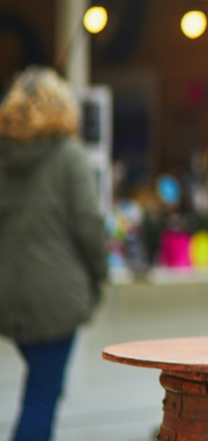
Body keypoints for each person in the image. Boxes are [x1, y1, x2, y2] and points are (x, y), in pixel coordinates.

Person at [0, 67, 108, 441]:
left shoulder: (4, 157)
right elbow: (90, 225)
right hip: (56, 296)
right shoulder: (69, 155)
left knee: (43, 387)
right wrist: (100, 274)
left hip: (10, 295)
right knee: (42, 397)